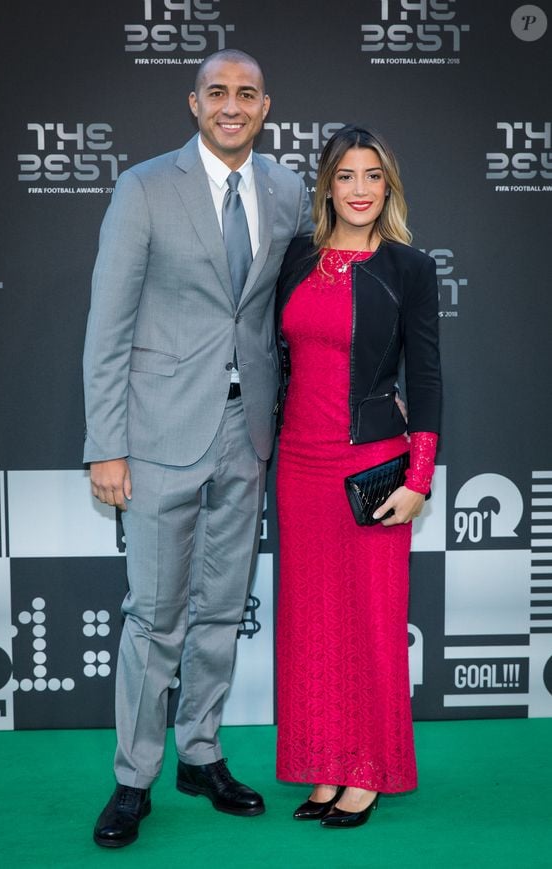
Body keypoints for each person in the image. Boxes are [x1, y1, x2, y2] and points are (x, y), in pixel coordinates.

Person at [82, 48, 313, 848]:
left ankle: (202, 751)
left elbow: (293, 302)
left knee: (220, 607)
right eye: (218, 92)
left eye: (247, 93)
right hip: (155, 436)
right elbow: (107, 326)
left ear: (265, 106)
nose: (232, 105)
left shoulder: (287, 190)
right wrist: (105, 445)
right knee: (154, 614)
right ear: (194, 103)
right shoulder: (145, 187)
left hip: (248, 433)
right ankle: (133, 776)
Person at [274, 125, 441, 829]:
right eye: (346, 175)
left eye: (373, 175)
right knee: (311, 622)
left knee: (370, 622)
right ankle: (324, 763)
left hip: (370, 467)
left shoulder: (410, 268)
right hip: (297, 465)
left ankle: (367, 770)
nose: (360, 189)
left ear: (388, 187)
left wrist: (419, 478)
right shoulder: (295, 257)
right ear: (327, 187)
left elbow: (426, 377)